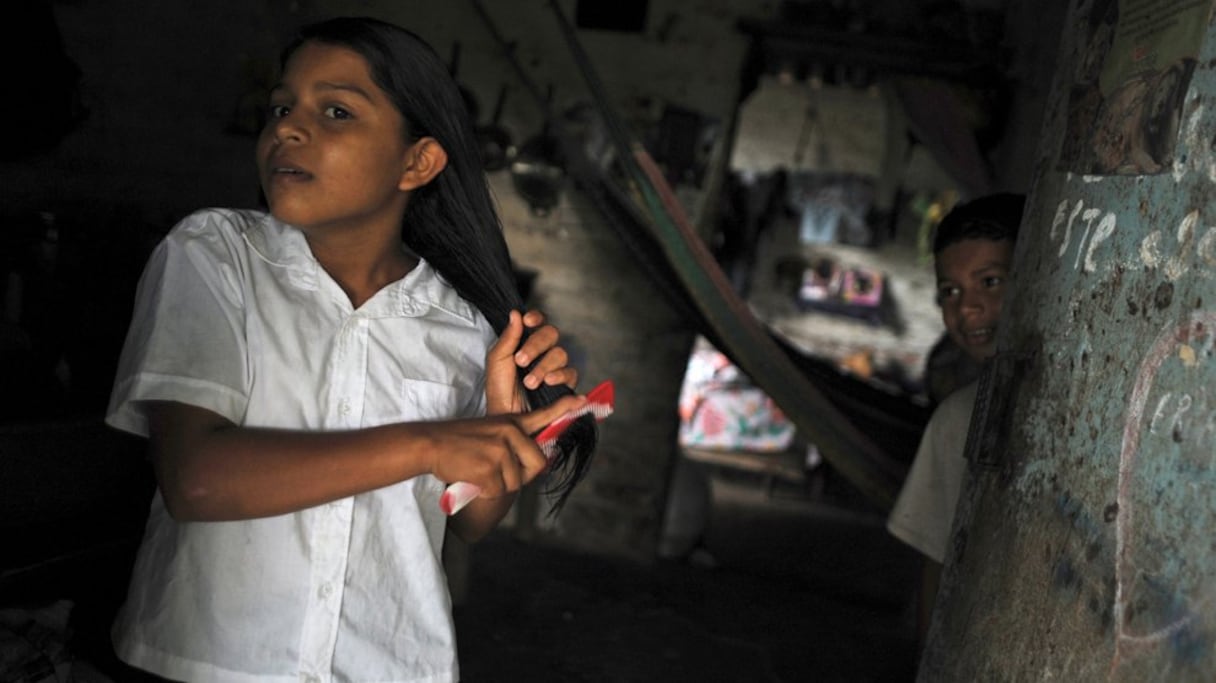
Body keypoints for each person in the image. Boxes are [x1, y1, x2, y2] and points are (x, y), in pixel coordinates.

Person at [104, 16, 598, 683]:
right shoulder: (217, 257)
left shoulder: (461, 323)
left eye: (335, 110)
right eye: (282, 107)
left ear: (417, 161)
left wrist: (502, 439)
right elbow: (195, 477)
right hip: (207, 662)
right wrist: (430, 441)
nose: (287, 128)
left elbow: (470, 521)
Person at [886, 191, 1025, 651]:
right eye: (951, 291)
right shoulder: (954, 421)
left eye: (991, 281)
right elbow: (937, 564)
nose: (967, 309)